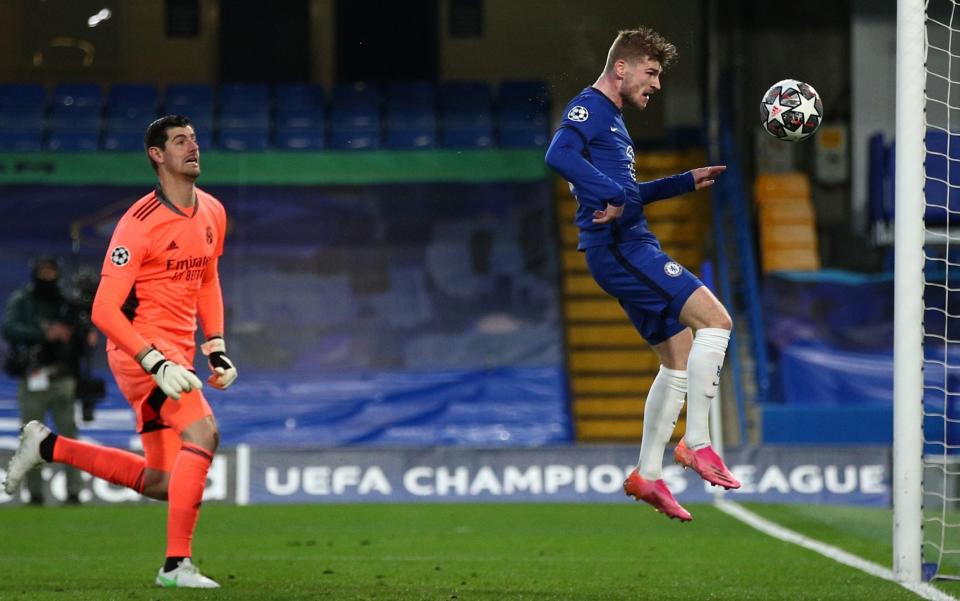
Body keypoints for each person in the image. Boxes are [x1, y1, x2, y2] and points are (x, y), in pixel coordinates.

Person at [3, 115, 238, 588]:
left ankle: (48, 445)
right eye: (179, 141)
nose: (192, 147)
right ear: (157, 155)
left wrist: (214, 344)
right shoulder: (138, 225)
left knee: (162, 483)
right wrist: (154, 360)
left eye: (194, 139)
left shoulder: (213, 211)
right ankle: (176, 566)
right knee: (204, 432)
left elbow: (207, 278)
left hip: (178, 355)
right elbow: (104, 309)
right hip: (140, 352)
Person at [545, 26, 738, 522]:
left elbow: (626, 194)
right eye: (651, 73)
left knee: (677, 360)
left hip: (622, 246)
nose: (656, 84)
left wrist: (681, 182)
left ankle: (647, 475)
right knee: (715, 322)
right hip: (624, 248)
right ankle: (698, 443)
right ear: (622, 67)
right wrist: (607, 194)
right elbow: (558, 155)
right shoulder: (589, 108)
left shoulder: (615, 120)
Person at [2, 256, 87, 505]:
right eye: (43, 272)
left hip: (63, 377)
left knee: (69, 436)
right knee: (31, 439)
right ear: (35, 273)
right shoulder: (23, 300)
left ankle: (74, 491)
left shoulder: (66, 301)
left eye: (51, 272)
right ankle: (34, 494)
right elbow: (9, 328)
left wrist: (79, 334)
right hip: (33, 376)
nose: (48, 277)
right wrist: (44, 333)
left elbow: (82, 327)